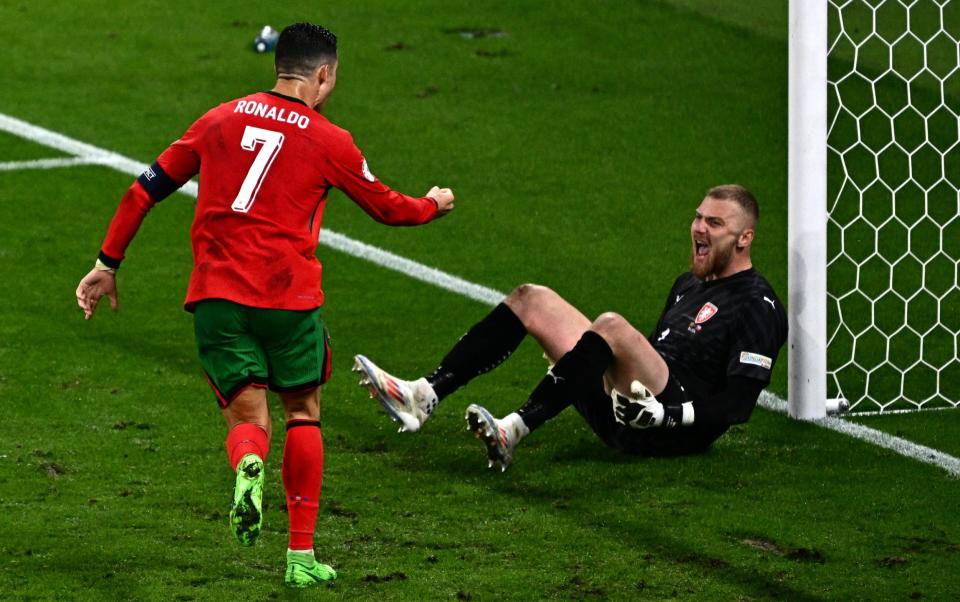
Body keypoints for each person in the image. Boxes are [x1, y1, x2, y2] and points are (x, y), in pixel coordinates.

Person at [74, 23, 455, 587]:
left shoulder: (219, 118)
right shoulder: (332, 140)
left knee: (248, 419)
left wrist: (108, 264)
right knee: (302, 413)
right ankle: (300, 557)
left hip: (217, 299)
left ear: (279, 66)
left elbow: (143, 190)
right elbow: (389, 209)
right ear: (323, 75)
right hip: (289, 302)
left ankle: (247, 463)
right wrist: (433, 203)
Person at [354, 185, 786, 470]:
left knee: (612, 326)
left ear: (744, 238)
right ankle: (425, 394)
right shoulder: (688, 284)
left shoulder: (757, 304)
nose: (699, 228)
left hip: (672, 431)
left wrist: (667, 415)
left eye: (715, 223)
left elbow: (738, 404)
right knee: (531, 298)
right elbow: (654, 356)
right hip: (633, 410)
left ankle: (514, 429)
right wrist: (585, 367)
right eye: (698, 217)